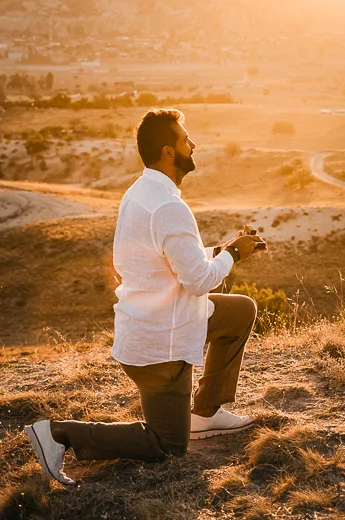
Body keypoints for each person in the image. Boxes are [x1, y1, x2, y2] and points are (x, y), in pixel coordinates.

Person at [23, 109, 265, 487]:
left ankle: (204, 412)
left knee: (238, 312)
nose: (193, 144)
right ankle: (58, 435)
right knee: (167, 444)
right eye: (187, 139)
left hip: (152, 324)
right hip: (160, 348)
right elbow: (200, 280)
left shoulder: (141, 192)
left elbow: (169, 256)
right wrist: (232, 255)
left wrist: (223, 247)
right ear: (169, 152)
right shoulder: (170, 207)